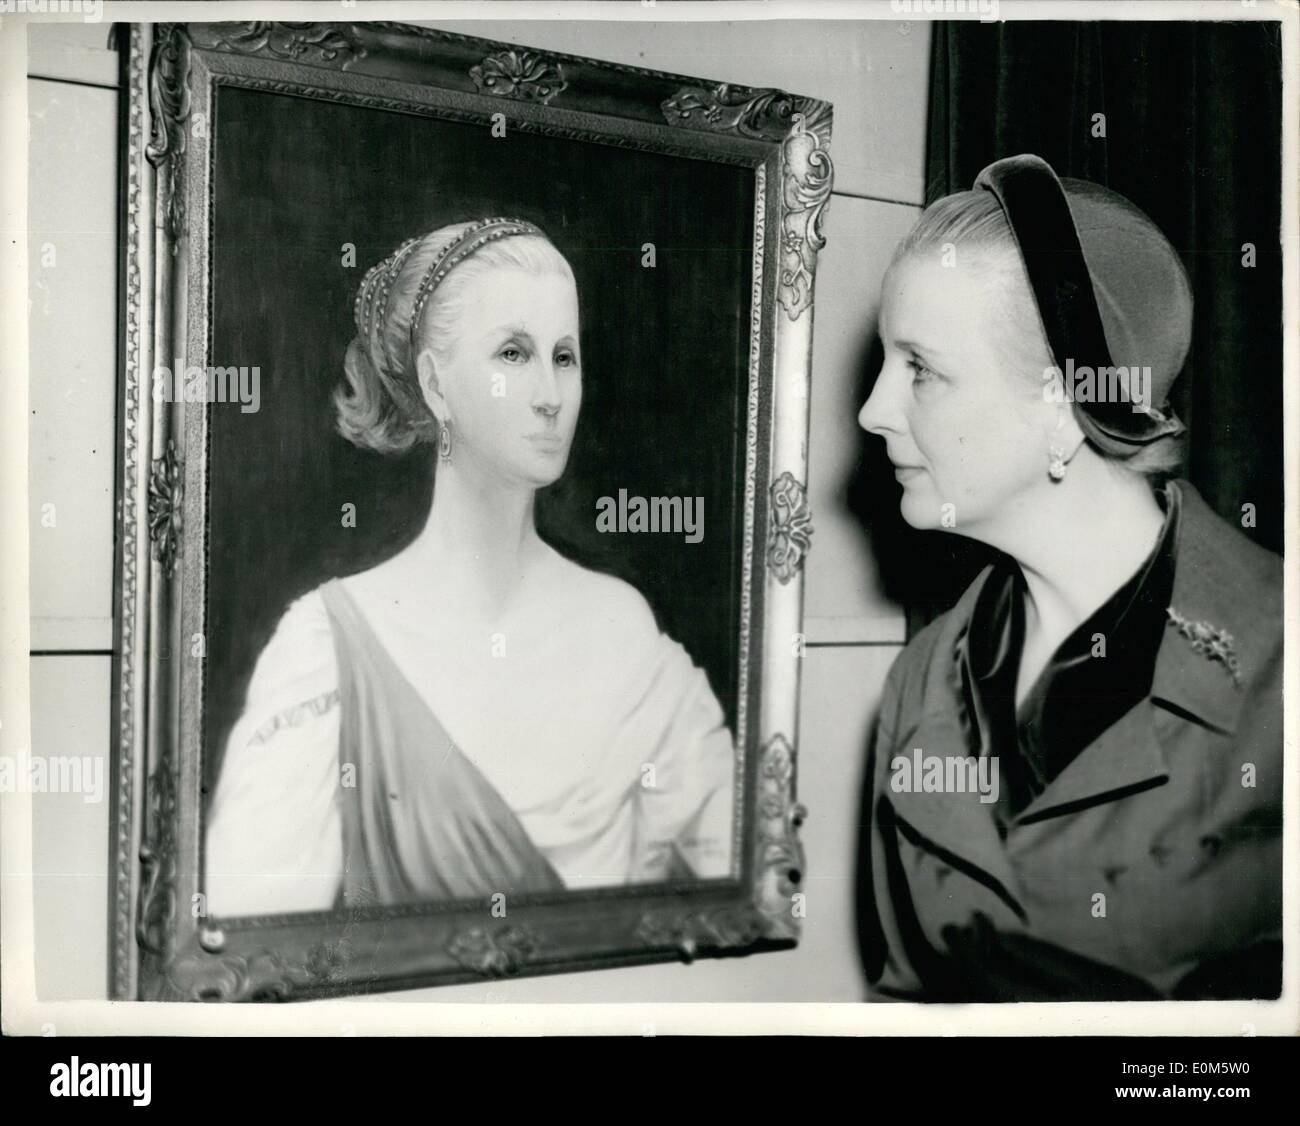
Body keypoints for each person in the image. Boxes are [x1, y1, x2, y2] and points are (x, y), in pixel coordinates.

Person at [205, 218, 735, 917]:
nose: (551, 393)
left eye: (565, 355)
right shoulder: (327, 651)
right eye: (513, 353)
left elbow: (729, 890)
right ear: (435, 384)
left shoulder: (622, 628)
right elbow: (247, 944)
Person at [855, 155, 1283, 1001]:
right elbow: (909, 995)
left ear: (1063, 405)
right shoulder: (921, 687)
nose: (872, 410)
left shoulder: (1279, 674)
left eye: (921, 369)